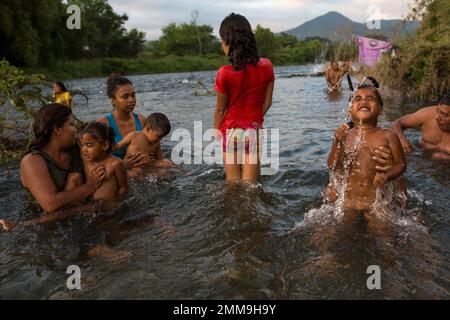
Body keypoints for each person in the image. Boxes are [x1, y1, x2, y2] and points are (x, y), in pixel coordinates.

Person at [0, 104, 106, 231]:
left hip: (80, 213)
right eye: (71, 124)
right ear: (58, 129)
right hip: (49, 225)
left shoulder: (76, 150)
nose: (76, 130)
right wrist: (89, 186)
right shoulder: (32, 161)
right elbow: (50, 203)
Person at [326, 78, 407, 217]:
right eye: (357, 99)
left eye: (370, 98)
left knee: (384, 234)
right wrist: (337, 143)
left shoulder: (388, 135)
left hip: (376, 202)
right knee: (331, 235)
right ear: (349, 109)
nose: (364, 102)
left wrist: (387, 175)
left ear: (380, 109)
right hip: (348, 201)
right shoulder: (344, 135)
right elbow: (333, 166)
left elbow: (401, 164)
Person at [214, 13, 275, 183]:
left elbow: (220, 109)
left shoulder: (224, 73)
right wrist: (252, 120)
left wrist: (217, 133)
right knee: (250, 186)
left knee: (233, 183)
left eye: (222, 40)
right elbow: (267, 102)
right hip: (253, 130)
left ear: (229, 42)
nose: (221, 44)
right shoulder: (267, 66)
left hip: (230, 131)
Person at [97, 74, 147, 169]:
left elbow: (152, 145)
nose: (131, 100)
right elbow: (96, 159)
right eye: (125, 97)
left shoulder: (141, 120)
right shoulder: (103, 124)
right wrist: (123, 165)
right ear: (113, 101)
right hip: (117, 172)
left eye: (133, 95)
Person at [76, 122, 128, 200]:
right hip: (91, 206)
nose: (84, 150)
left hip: (109, 206)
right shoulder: (85, 159)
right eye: (82, 145)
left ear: (105, 145)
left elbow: (123, 187)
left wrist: (118, 202)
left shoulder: (115, 163)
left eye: (89, 145)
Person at [393, 92, 450, 160]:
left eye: (444, 114)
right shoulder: (428, 114)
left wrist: (446, 158)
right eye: (438, 110)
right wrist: (401, 139)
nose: (437, 117)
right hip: (416, 156)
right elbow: (397, 123)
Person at [114, 113, 173, 177]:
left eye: (162, 137)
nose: (161, 139)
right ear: (148, 129)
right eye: (159, 136)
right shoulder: (134, 136)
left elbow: (160, 158)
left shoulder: (156, 142)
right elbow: (117, 147)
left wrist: (159, 163)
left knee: (167, 165)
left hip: (148, 168)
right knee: (132, 174)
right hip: (133, 169)